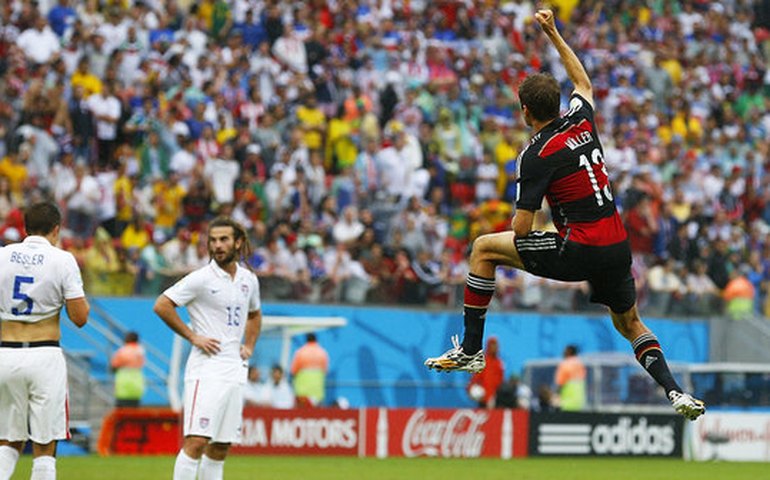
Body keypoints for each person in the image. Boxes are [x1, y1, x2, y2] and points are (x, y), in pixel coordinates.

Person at [425, 9, 704, 422]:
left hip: (581, 246)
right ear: (557, 103)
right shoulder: (582, 120)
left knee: (484, 249)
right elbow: (583, 82)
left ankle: (470, 350)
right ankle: (675, 392)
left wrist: (541, 228)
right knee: (630, 323)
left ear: (524, 111)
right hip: (617, 245)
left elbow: (521, 229)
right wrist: (553, 32)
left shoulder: (535, 155)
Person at [153, 216, 262, 480]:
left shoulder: (249, 279)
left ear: (238, 242)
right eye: (212, 240)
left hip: (235, 369)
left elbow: (255, 314)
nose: (217, 245)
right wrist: (193, 336)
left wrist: (249, 345)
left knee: (221, 447)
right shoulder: (200, 279)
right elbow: (162, 305)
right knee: (197, 442)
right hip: (206, 369)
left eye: (224, 239)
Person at [0, 201, 90, 480]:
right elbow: (80, 317)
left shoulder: (3, 256)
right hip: (44, 353)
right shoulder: (62, 260)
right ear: (56, 229)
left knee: (7, 440)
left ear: (25, 227)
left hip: (6, 353)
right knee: (45, 444)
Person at [290, 333, 329, 407]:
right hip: (318, 393)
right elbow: (325, 371)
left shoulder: (300, 352)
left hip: (302, 393)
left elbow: (293, 371)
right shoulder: (323, 353)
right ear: (316, 340)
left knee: (302, 417)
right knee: (316, 417)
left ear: (306, 340)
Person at [466, 337, 504, 409]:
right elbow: (475, 378)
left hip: (495, 398)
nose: (495, 347)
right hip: (483, 398)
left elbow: (500, 381)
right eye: (493, 345)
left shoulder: (499, 363)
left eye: (496, 345)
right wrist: (471, 388)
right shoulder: (483, 361)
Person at [110, 331, 146, 407]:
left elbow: (114, 365)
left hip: (123, 384)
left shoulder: (123, 351)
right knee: (134, 412)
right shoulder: (140, 351)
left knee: (121, 411)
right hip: (137, 383)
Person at [554, 345, 586, 412]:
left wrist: (555, 398)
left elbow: (560, 383)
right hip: (580, 403)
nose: (563, 353)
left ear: (568, 352)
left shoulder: (565, 364)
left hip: (566, 403)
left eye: (564, 351)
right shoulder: (580, 364)